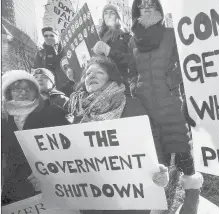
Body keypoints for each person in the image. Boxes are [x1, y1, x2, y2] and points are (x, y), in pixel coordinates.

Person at [129, 0, 203, 214]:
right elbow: (131, 70)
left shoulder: (171, 33)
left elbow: (188, 62)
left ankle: (192, 203)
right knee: (157, 162)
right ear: (137, 9)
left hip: (171, 105)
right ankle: (161, 206)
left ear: (158, 6)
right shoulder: (133, 39)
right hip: (146, 109)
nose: (147, 6)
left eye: (151, 2)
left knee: (182, 154)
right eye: (142, 4)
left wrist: (174, 79)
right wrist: (135, 86)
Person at [68, 55, 169, 214]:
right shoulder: (79, 112)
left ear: (110, 77)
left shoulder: (130, 104)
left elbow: (151, 139)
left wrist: (158, 168)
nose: (92, 76)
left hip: (130, 193)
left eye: (99, 72)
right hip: (95, 194)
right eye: (88, 74)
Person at [1, 70, 69, 206]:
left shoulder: (53, 112)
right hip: (14, 190)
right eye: (17, 89)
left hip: (52, 185)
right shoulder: (3, 119)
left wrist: (50, 168)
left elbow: (70, 146)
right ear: (8, 92)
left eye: (28, 88)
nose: (23, 93)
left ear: (36, 92)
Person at [92, 4, 133, 96]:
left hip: (119, 85)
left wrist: (109, 52)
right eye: (105, 13)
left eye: (112, 13)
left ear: (117, 17)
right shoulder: (98, 38)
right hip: (100, 86)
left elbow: (131, 61)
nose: (109, 15)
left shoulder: (126, 37)